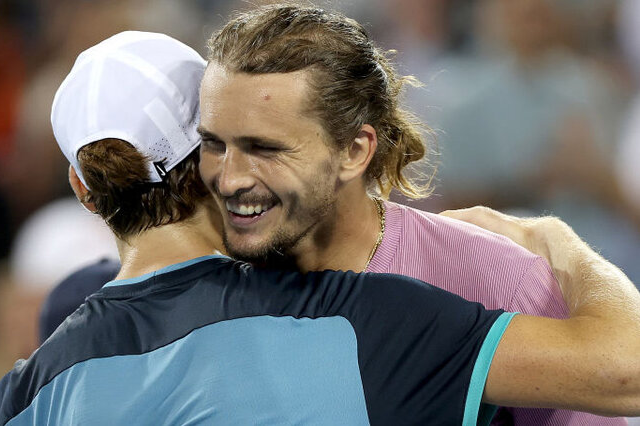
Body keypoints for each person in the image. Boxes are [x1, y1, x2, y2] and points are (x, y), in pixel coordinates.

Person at [0, 30, 640, 426]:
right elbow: (625, 370)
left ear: (83, 192)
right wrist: (563, 245)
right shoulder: (359, 321)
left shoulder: (25, 392)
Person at [196, 5, 630, 424]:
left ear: (354, 151)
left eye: (265, 148)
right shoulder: (192, 287)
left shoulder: (492, 275)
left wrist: (558, 240)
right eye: (214, 144)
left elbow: (622, 374)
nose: (229, 179)